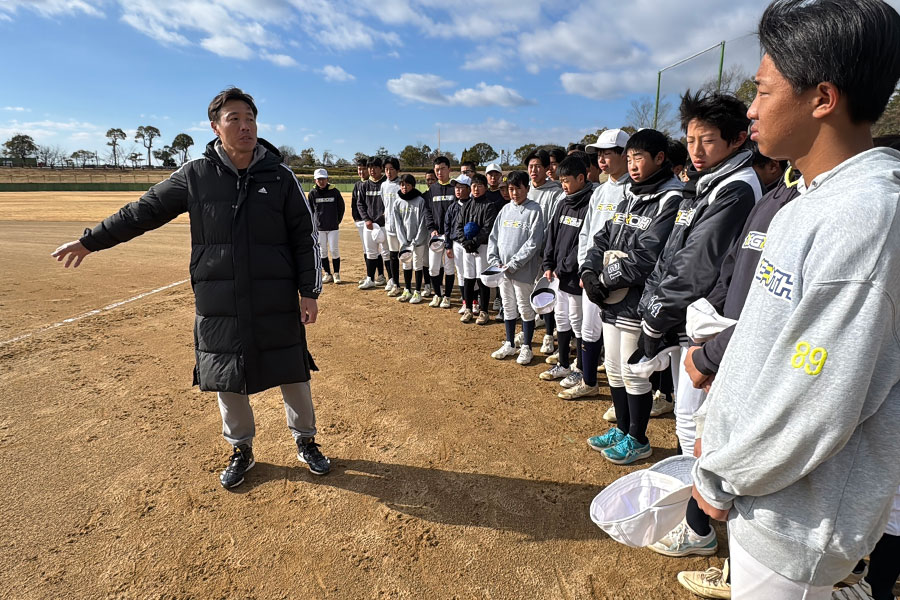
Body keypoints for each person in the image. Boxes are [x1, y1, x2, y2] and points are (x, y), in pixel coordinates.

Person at [691, 1, 900, 597]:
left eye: (762, 90)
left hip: (799, 526)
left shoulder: (864, 217)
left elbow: (818, 396)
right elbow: (770, 346)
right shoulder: (807, 199)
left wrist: (724, 472)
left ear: (822, 98)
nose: (751, 109)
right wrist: (719, 429)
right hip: (764, 498)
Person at [51, 87, 331, 487]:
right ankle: (242, 449)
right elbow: (142, 212)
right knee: (225, 371)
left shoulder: (280, 176)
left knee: (292, 368)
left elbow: (305, 236)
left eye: (250, 118)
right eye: (234, 118)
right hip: (218, 297)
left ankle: (306, 441)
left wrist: (310, 291)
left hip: (274, 294)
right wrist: (91, 240)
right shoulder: (195, 173)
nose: (245, 125)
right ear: (215, 126)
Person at [639, 89, 763, 558]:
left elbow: (698, 264)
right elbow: (676, 250)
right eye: (690, 139)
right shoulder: (710, 180)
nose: (694, 149)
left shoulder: (737, 186)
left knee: (699, 426)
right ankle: (693, 518)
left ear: (736, 139)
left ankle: (700, 529)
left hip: (714, 322)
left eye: (706, 139)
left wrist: (657, 313)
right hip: (694, 315)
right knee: (690, 421)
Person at [580, 129, 682, 464]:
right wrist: (589, 273)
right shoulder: (630, 197)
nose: (633, 164)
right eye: (631, 157)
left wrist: (605, 280)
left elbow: (647, 258)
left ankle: (638, 438)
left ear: (660, 159)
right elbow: (601, 238)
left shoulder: (671, 199)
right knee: (612, 367)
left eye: (640, 157)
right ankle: (623, 429)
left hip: (636, 301)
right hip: (611, 299)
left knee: (631, 370)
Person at [579, 129, 631, 416]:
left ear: (625, 154)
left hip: (618, 280)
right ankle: (589, 382)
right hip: (591, 276)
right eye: (598, 154)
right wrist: (584, 268)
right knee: (589, 331)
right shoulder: (599, 191)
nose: (601, 159)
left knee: (618, 346)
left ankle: (620, 402)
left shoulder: (633, 190)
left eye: (607, 153)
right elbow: (588, 233)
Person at [538, 156, 593, 383]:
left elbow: (585, 241)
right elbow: (551, 235)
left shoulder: (590, 203)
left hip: (575, 276)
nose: (563, 185)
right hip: (558, 275)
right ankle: (562, 363)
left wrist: (566, 266)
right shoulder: (563, 202)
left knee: (578, 322)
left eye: (567, 180)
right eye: (560, 180)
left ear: (581, 178)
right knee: (561, 318)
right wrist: (548, 263)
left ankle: (579, 368)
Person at [487, 170, 545, 364]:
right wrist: (494, 260)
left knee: (525, 309)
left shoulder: (535, 210)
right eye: (511, 189)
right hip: (503, 271)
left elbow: (533, 242)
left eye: (518, 189)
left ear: (527, 189)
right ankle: (510, 343)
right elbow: (494, 237)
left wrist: (514, 264)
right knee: (508, 306)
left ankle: (527, 347)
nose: (514, 193)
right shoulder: (505, 210)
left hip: (523, 271)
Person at [526, 148, 566, 356]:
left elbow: (553, 225)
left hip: (544, 252)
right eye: (530, 167)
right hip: (526, 254)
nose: (534, 170)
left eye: (538, 166)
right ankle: (528, 334)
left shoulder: (555, 192)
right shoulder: (526, 189)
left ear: (547, 168)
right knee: (527, 294)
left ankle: (549, 335)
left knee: (545, 295)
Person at [456, 173, 500, 325]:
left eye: (479, 186)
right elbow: (459, 225)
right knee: (468, 278)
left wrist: (475, 241)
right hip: (467, 247)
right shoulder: (466, 204)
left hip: (483, 247)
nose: (476, 189)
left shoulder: (489, 206)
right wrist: (465, 242)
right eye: (474, 186)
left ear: (485, 188)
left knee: (483, 280)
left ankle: (484, 311)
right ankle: (468, 308)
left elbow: (488, 227)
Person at [423, 156, 457, 308]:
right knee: (433, 267)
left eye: (443, 169)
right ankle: (437, 294)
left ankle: (447, 296)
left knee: (449, 268)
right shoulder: (432, 189)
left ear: (449, 169)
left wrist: (452, 233)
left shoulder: (455, 188)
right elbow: (428, 211)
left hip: (451, 236)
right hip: (436, 236)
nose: (440, 172)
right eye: (437, 169)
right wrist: (431, 229)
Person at [392, 173, 429, 304]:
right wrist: (404, 241)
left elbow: (423, 223)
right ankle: (407, 290)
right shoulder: (397, 202)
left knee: (417, 264)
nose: (404, 187)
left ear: (412, 186)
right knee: (406, 264)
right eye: (402, 184)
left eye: (407, 185)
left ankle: (418, 292)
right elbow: (398, 224)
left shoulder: (420, 201)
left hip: (419, 241)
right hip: (405, 241)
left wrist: (416, 241)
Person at [357, 157, 390, 290]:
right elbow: (360, 204)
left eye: (375, 167)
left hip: (384, 224)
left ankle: (391, 279)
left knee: (386, 252)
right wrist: (366, 219)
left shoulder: (386, 184)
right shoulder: (364, 185)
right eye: (370, 167)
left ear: (381, 168)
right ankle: (370, 278)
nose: (372, 170)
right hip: (369, 225)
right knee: (371, 252)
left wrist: (383, 217)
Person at [308, 167, 345, 284]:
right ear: (315, 180)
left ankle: (336, 274)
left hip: (333, 227)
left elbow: (341, 207)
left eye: (323, 179)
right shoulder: (312, 193)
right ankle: (327, 274)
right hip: (319, 228)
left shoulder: (335, 192)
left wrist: (337, 220)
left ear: (327, 179)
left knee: (334, 250)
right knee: (323, 251)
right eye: (319, 179)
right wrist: (314, 223)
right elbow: (310, 210)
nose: (321, 181)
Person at [352, 156, 381, 284]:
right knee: (367, 249)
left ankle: (381, 274)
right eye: (360, 169)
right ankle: (370, 275)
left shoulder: (376, 184)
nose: (362, 172)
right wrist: (357, 218)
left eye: (364, 169)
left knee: (379, 250)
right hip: (363, 221)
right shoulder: (358, 185)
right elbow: (356, 203)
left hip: (376, 222)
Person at [381, 156, 402, 296]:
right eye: (386, 169)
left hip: (403, 227)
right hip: (390, 226)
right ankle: (395, 283)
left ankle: (419, 285)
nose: (388, 172)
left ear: (397, 170)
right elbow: (385, 204)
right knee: (393, 255)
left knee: (407, 256)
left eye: (391, 169)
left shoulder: (402, 184)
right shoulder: (383, 185)